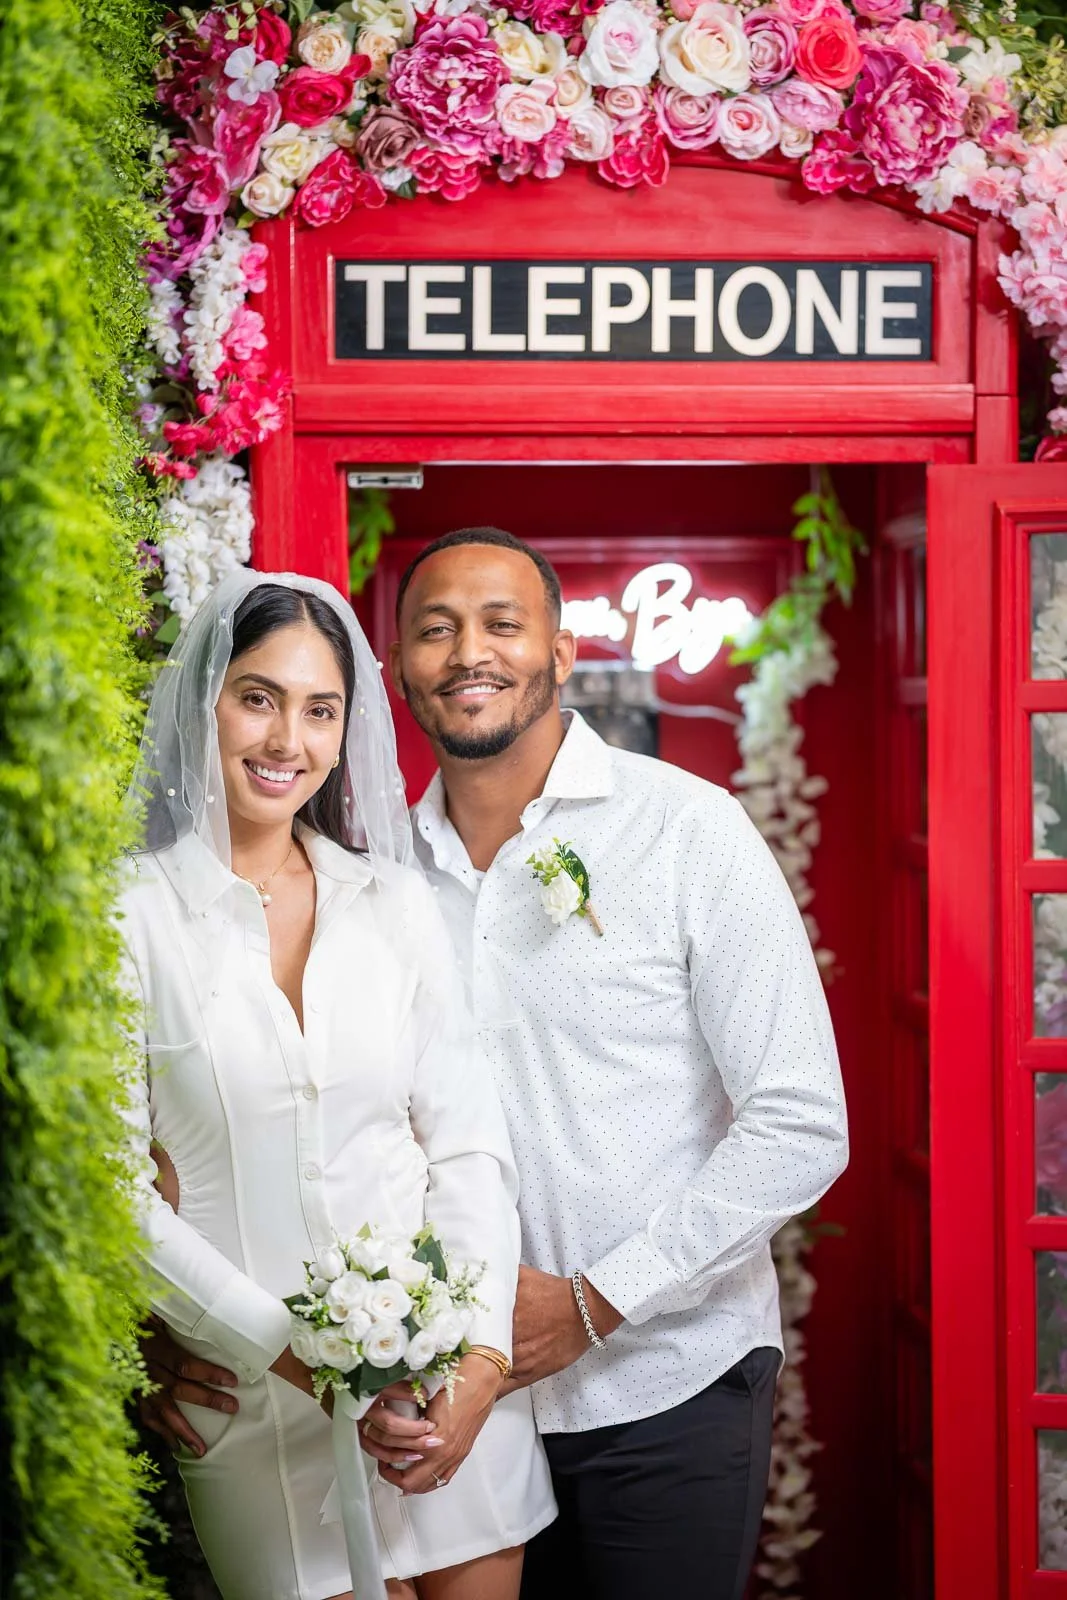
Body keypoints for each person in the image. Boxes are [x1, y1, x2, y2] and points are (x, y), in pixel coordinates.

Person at [356, 528, 850, 1600]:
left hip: (663, 1384)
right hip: (452, 1405)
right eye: (433, 630)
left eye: (499, 623)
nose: (466, 653)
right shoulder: (375, 872)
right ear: (397, 670)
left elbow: (800, 1121)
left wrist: (591, 1301)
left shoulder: (686, 831)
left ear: (561, 651)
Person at [120, 569, 555, 1600]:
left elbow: (464, 1145)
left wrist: (480, 1360)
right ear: (203, 700)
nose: (287, 742)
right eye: (258, 698)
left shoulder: (394, 906)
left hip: (443, 1402)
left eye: (321, 711)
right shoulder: (126, 919)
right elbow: (108, 1191)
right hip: (256, 1410)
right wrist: (309, 1367)